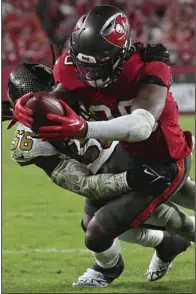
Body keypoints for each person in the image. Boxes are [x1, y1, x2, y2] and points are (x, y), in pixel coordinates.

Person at [6, 62, 195, 286]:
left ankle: (166, 244)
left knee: (182, 194)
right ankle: (160, 246)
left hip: (135, 152)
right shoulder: (30, 143)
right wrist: (129, 179)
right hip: (106, 173)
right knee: (99, 227)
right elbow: (82, 183)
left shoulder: (78, 89)